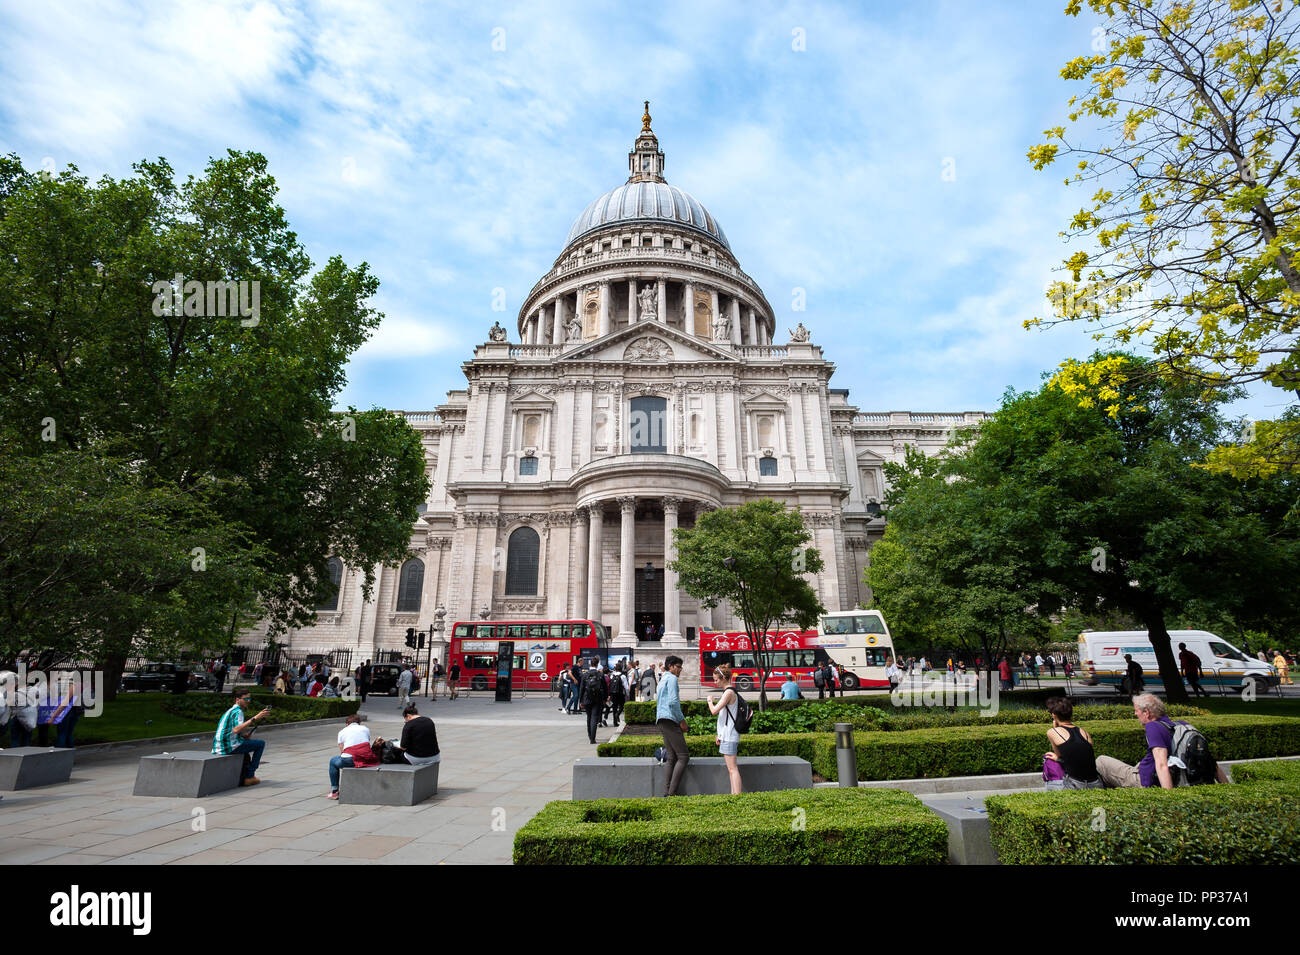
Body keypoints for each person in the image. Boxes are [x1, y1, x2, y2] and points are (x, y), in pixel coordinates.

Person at [1095, 693, 1229, 788]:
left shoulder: (1153, 727)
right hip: (1161, 772)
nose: (1135, 714)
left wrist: (1168, 799)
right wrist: (1227, 788)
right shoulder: (1181, 725)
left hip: (1145, 781)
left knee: (1101, 761)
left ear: (1146, 712)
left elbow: (1161, 764)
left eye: (1136, 711)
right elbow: (1211, 762)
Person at [213, 689, 271, 787]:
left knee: (248, 745)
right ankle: (250, 776)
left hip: (221, 744)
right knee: (260, 744)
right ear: (237, 699)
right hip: (228, 746)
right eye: (245, 699)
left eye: (249, 698)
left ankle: (245, 774)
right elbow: (236, 729)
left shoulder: (231, 711)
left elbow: (232, 731)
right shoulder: (238, 711)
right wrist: (255, 718)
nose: (248, 701)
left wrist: (243, 736)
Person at [1042, 696, 1102, 789]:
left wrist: (1055, 728)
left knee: (1048, 785)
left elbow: (1060, 755)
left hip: (1075, 785)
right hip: (1096, 783)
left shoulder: (1052, 732)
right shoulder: (1084, 732)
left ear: (1054, 715)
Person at [706, 664, 743, 795]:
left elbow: (714, 711)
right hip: (727, 735)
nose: (715, 682)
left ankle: (737, 796)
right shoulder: (728, 692)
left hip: (730, 735)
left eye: (716, 679)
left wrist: (710, 701)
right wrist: (719, 735)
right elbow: (724, 717)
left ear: (723, 678)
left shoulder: (728, 692)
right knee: (731, 769)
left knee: (733, 769)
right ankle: (734, 795)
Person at [657, 656, 690, 797]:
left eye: (681, 667)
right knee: (683, 756)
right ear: (670, 666)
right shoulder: (671, 679)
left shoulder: (663, 678)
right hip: (670, 719)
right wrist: (682, 721)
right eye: (678, 666)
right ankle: (672, 794)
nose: (680, 670)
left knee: (671, 757)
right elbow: (673, 702)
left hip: (661, 719)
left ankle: (667, 792)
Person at [327, 713, 380, 799]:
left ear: (347, 724)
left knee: (333, 761)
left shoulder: (342, 731)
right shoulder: (365, 729)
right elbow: (366, 743)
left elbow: (342, 751)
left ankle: (335, 791)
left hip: (350, 759)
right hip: (366, 759)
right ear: (359, 723)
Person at [395, 704, 441, 768]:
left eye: (405, 720)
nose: (406, 722)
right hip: (435, 756)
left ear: (408, 716)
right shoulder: (429, 720)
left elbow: (403, 747)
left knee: (394, 753)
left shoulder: (408, 725)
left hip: (417, 759)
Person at [49, 676, 84, 749]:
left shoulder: (72, 686)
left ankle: (59, 754)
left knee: (62, 734)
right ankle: (70, 753)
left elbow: (65, 703)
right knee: (69, 734)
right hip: (75, 712)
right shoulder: (80, 685)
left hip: (67, 712)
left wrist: (53, 716)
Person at [580, 659, 607, 744]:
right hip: (597, 699)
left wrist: (581, 701)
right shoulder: (600, 674)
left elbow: (582, 688)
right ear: (597, 664)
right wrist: (605, 699)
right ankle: (593, 738)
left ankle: (589, 735)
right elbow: (605, 688)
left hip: (587, 698)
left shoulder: (585, 675)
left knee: (589, 717)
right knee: (594, 717)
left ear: (590, 664)